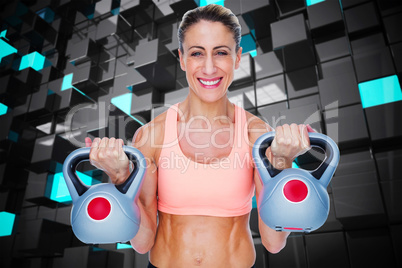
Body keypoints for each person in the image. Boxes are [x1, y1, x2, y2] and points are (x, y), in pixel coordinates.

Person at [85, 4, 314, 268]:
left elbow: (274, 242)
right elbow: (142, 242)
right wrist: (120, 178)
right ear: (182, 58)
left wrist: (282, 164)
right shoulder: (152, 135)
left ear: (237, 58)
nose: (208, 68)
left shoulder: (257, 135)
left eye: (221, 53)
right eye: (197, 53)